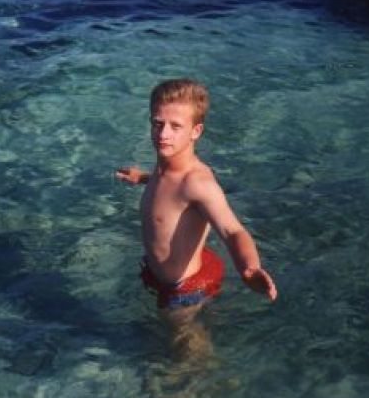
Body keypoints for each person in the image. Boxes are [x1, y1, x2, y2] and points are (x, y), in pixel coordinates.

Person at [116, 78, 277, 364]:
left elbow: (233, 230)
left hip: (185, 289)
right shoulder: (166, 164)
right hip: (167, 274)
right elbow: (170, 190)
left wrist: (249, 268)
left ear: (196, 131)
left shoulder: (198, 183)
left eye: (176, 126)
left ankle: (207, 384)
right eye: (157, 123)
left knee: (189, 352)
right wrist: (142, 178)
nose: (163, 134)